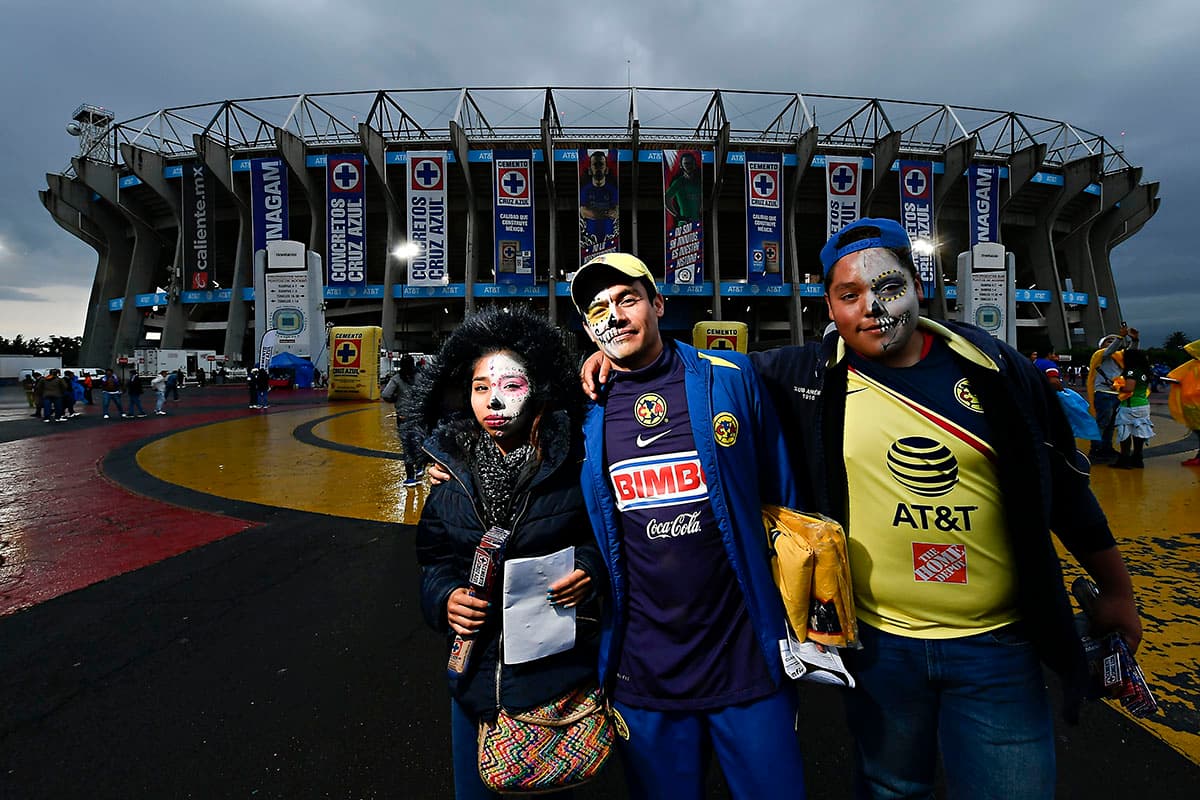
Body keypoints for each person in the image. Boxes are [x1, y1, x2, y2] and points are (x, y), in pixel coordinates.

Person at [744, 218, 1142, 799]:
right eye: (850, 295)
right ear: (829, 307)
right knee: (890, 788)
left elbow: (1065, 490)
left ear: (918, 286)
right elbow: (696, 376)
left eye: (888, 288)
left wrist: (1118, 592)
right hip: (880, 646)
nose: (872, 308)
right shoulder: (806, 376)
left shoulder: (995, 369)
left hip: (997, 646)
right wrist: (615, 361)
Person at [569, 253, 807, 799]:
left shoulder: (732, 378)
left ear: (657, 304)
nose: (615, 316)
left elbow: (783, 498)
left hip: (746, 656)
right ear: (586, 328)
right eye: (599, 310)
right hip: (644, 668)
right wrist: (440, 461)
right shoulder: (581, 409)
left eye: (627, 299)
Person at [406, 306, 605, 800]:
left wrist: (589, 569)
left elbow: (605, 538)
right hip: (474, 681)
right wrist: (444, 599)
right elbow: (434, 558)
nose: (493, 400)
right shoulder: (449, 472)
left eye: (511, 385)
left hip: (554, 681)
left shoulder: (575, 463)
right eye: (480, 387)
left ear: (537, 389)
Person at [1087, 325, 1138, 461]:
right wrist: (1120, 337)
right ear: (1101, 345)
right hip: (1103, 392)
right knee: (1103, 423)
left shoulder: (1119, 357)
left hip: (1116, 393)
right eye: (1108, 341)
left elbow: (1130, 353)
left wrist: (1135, 340)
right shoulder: (1101, 355)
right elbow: (1110, 350)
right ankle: (1095, 449)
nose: (1112, 342)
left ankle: (1106, 448)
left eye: (1113, 340)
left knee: (1111, 424)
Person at [381, 354, 421, 487]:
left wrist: (396, 399)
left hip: (404, 417)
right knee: (418, 442)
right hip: (418, 416)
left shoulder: (397, 379)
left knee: (407, 446)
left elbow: (386, 394)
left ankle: (410, 478)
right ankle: (420, 467)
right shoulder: (420, 377)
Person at [1112, 348, 1154, 469]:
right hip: (1143, 405)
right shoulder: (1145, 371)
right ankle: (1138, 459)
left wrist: (1117, 387)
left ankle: (1124, 460)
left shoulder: (1131, 371)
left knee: (1125, 432)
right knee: (1139, 432)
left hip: (1130, 406)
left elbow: (1129, 388)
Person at [1166, 338, 1200, 466]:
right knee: (1197, 429)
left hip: (1195, 404)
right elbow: (1175, 375)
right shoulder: (1193, 364)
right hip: (1191, 404)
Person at [579, 150, 619, 248]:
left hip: (609, 239)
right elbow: (583, 211)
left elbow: (615, 212)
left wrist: (594, 213)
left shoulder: (612, 189)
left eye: (601, 164)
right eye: (595, 165)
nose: (598, 168)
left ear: (606, 169)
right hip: (590, 240)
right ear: (590, 170)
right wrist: (606, 213)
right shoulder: (585, 190)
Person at [664, 150, 703, 224]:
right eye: (686, 163)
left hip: (698, 223)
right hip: (684, 225)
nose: (689, 166)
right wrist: (677, 216)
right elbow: (666, 198)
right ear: (681, 165)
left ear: (694, 164)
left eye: (690, 163)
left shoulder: (699, 182)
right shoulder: (679, 182)